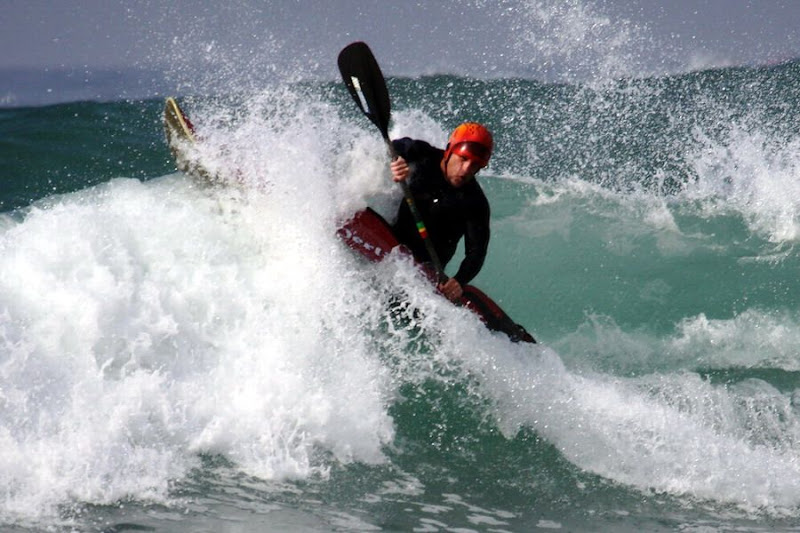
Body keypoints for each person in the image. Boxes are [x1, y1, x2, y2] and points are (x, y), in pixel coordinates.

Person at [389, 122, 493, 303]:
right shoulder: (423, 155)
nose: (466, 170)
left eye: (475, 165)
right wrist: (397, 161)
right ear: (449, 150)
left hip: (427, 270)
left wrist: (459, 281)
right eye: (463, 159)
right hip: (393, 241)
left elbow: (476, 253)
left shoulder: (475, 203)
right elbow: (395, 146)